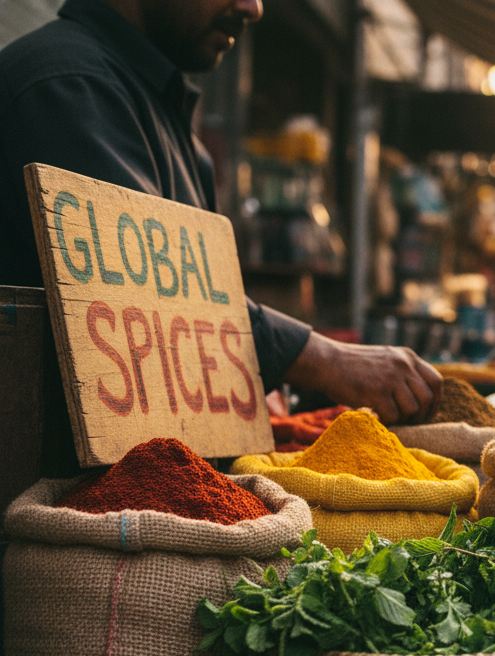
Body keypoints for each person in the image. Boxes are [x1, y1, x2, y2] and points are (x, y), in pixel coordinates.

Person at [0, 0, 441, 424]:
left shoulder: (168, 120)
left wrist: (247, 384)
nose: (253, 7)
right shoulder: (66, 84)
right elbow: (151, 306)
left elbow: (199, 304)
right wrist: (324, 359)